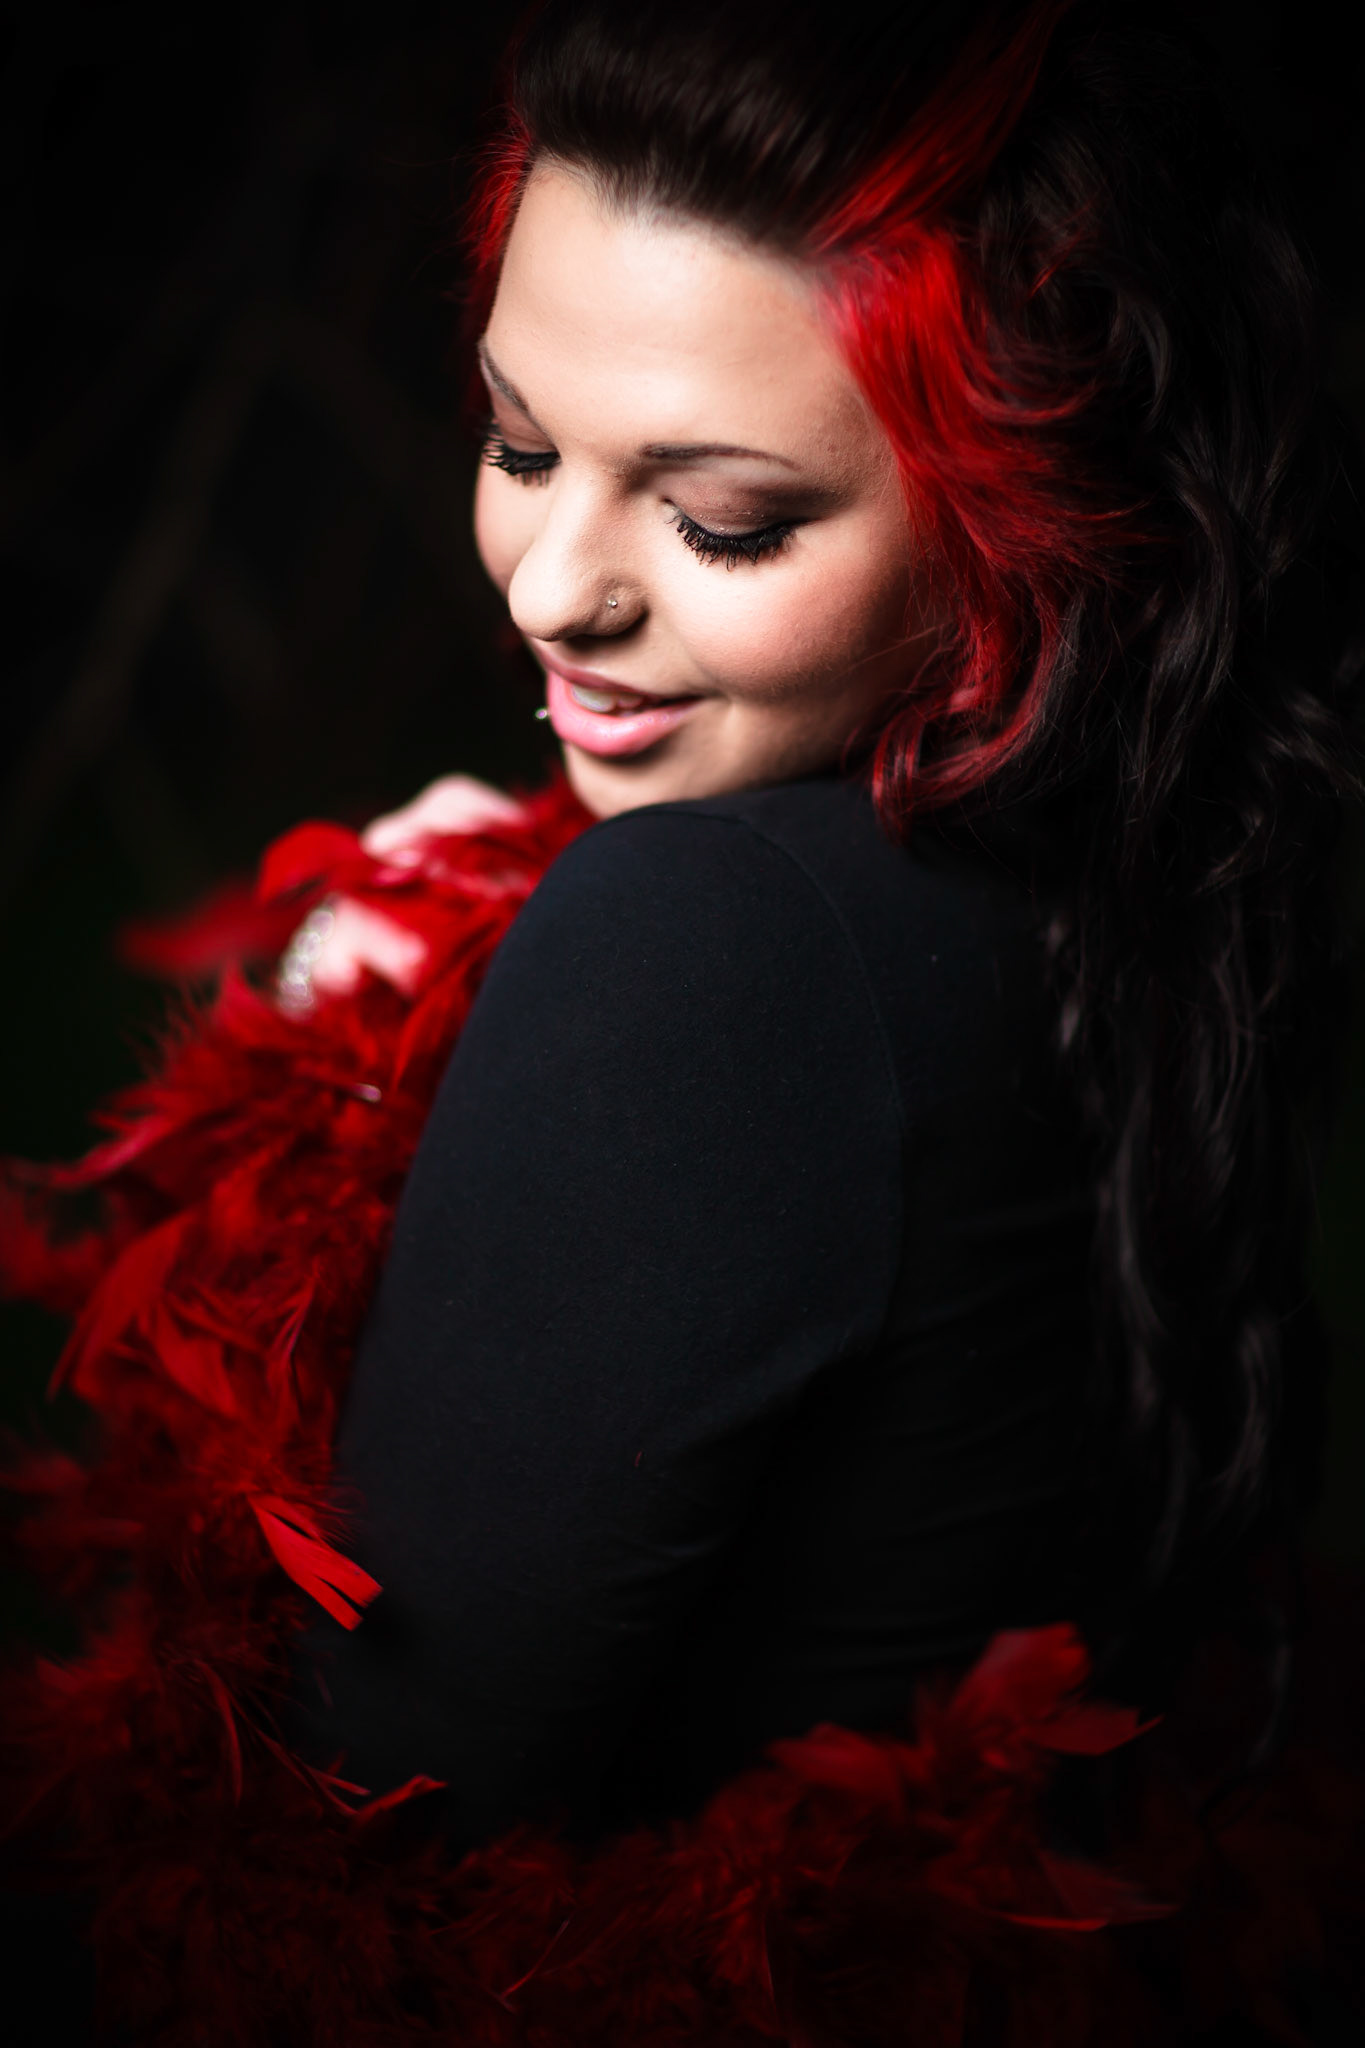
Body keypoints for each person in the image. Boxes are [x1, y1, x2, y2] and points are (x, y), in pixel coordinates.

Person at [2, 1, 1361, 2040]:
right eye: (516, 443)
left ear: (1022, 509)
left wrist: (357, 1062)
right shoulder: (1133, 886)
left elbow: (315, 1840)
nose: (552, 588)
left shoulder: (710, 941)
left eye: (719, 518)